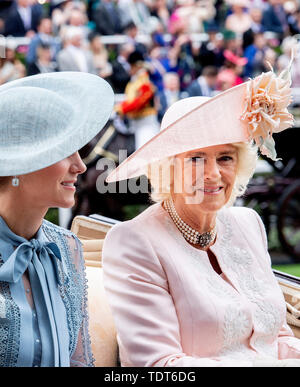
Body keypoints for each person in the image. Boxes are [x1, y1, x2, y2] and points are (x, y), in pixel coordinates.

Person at [102, 59, 300, 366]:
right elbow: (158, 364)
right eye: (195, 159)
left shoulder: (249, 224)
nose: (213, 174)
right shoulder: (133, 242)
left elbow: (279, 336)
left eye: (224, 157)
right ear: (168, 167)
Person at [0, 71, 114, 367]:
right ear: (18, 162)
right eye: (63, 151)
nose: (78, 165)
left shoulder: (67, 248)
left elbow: (79, 361)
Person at [115, 50, 160, 150]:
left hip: (146, 125)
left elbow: (139, 102)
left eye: (131, 66)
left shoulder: (145, 81)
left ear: (136, 66)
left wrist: (121, 109)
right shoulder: (134, 81)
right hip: (134, 125)